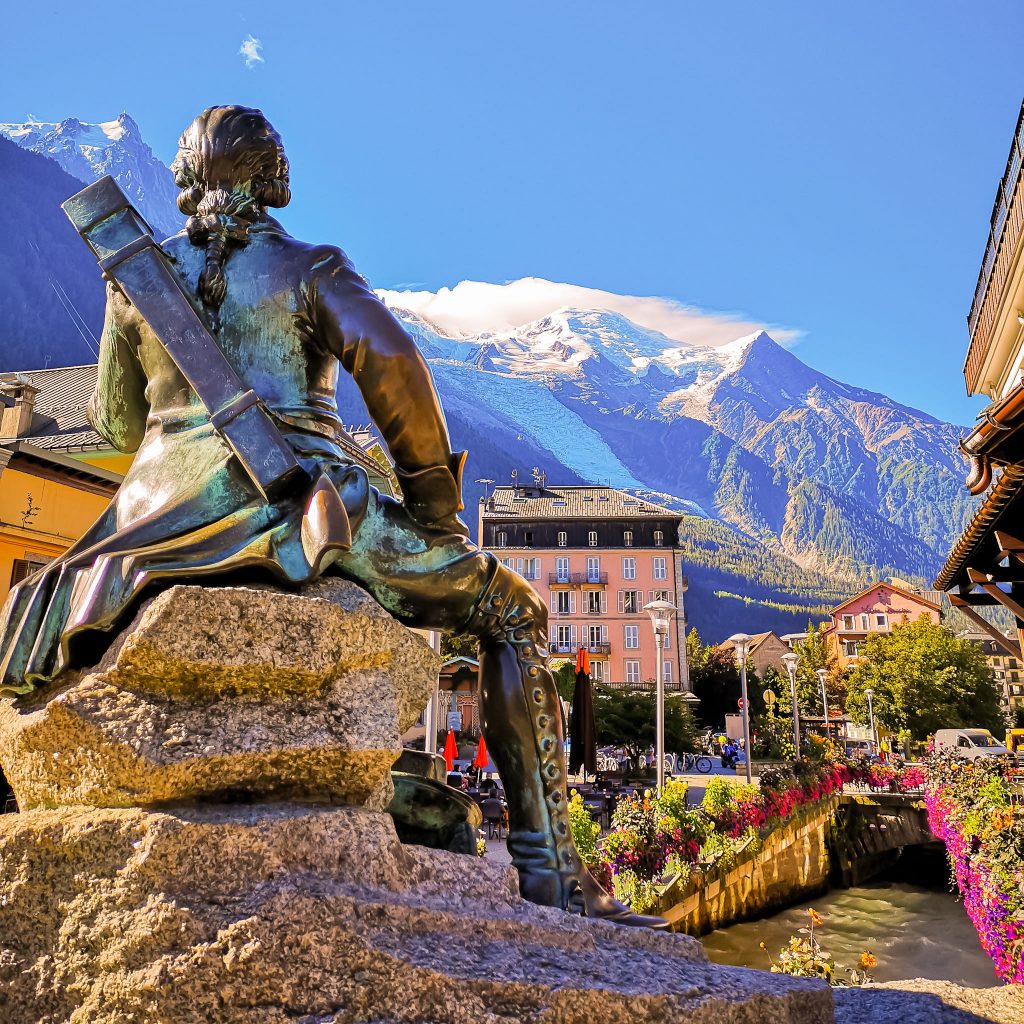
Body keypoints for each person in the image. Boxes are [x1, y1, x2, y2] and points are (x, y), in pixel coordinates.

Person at [0, 106, 661, 929]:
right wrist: (431, 503)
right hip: (303, 502)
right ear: (272, 177)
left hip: (155, 515)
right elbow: (392, 364)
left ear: (183, 183)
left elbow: (119, 426)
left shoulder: (135, 274)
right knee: (514, 614)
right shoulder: (312, 267)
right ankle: (552, 875)